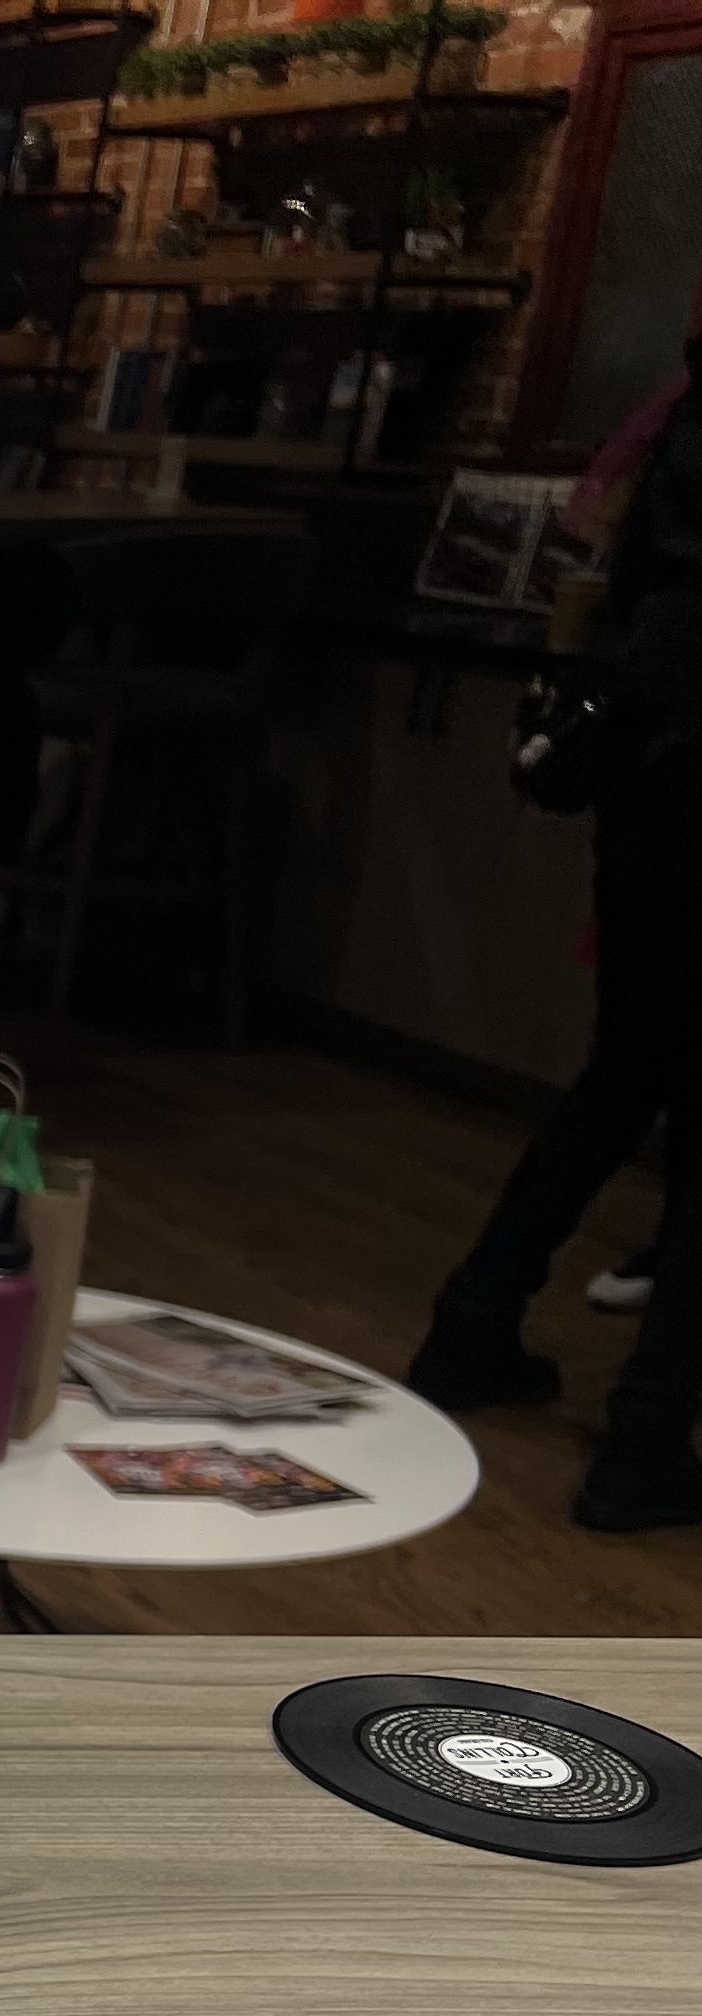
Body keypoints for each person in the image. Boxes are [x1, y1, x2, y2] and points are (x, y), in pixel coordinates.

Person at [406, 329, 702, 1530]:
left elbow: (627, 576)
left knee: (622, 1072)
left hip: (651, 772)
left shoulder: (688, 399)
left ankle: (475, 1322)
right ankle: (644, 1438)